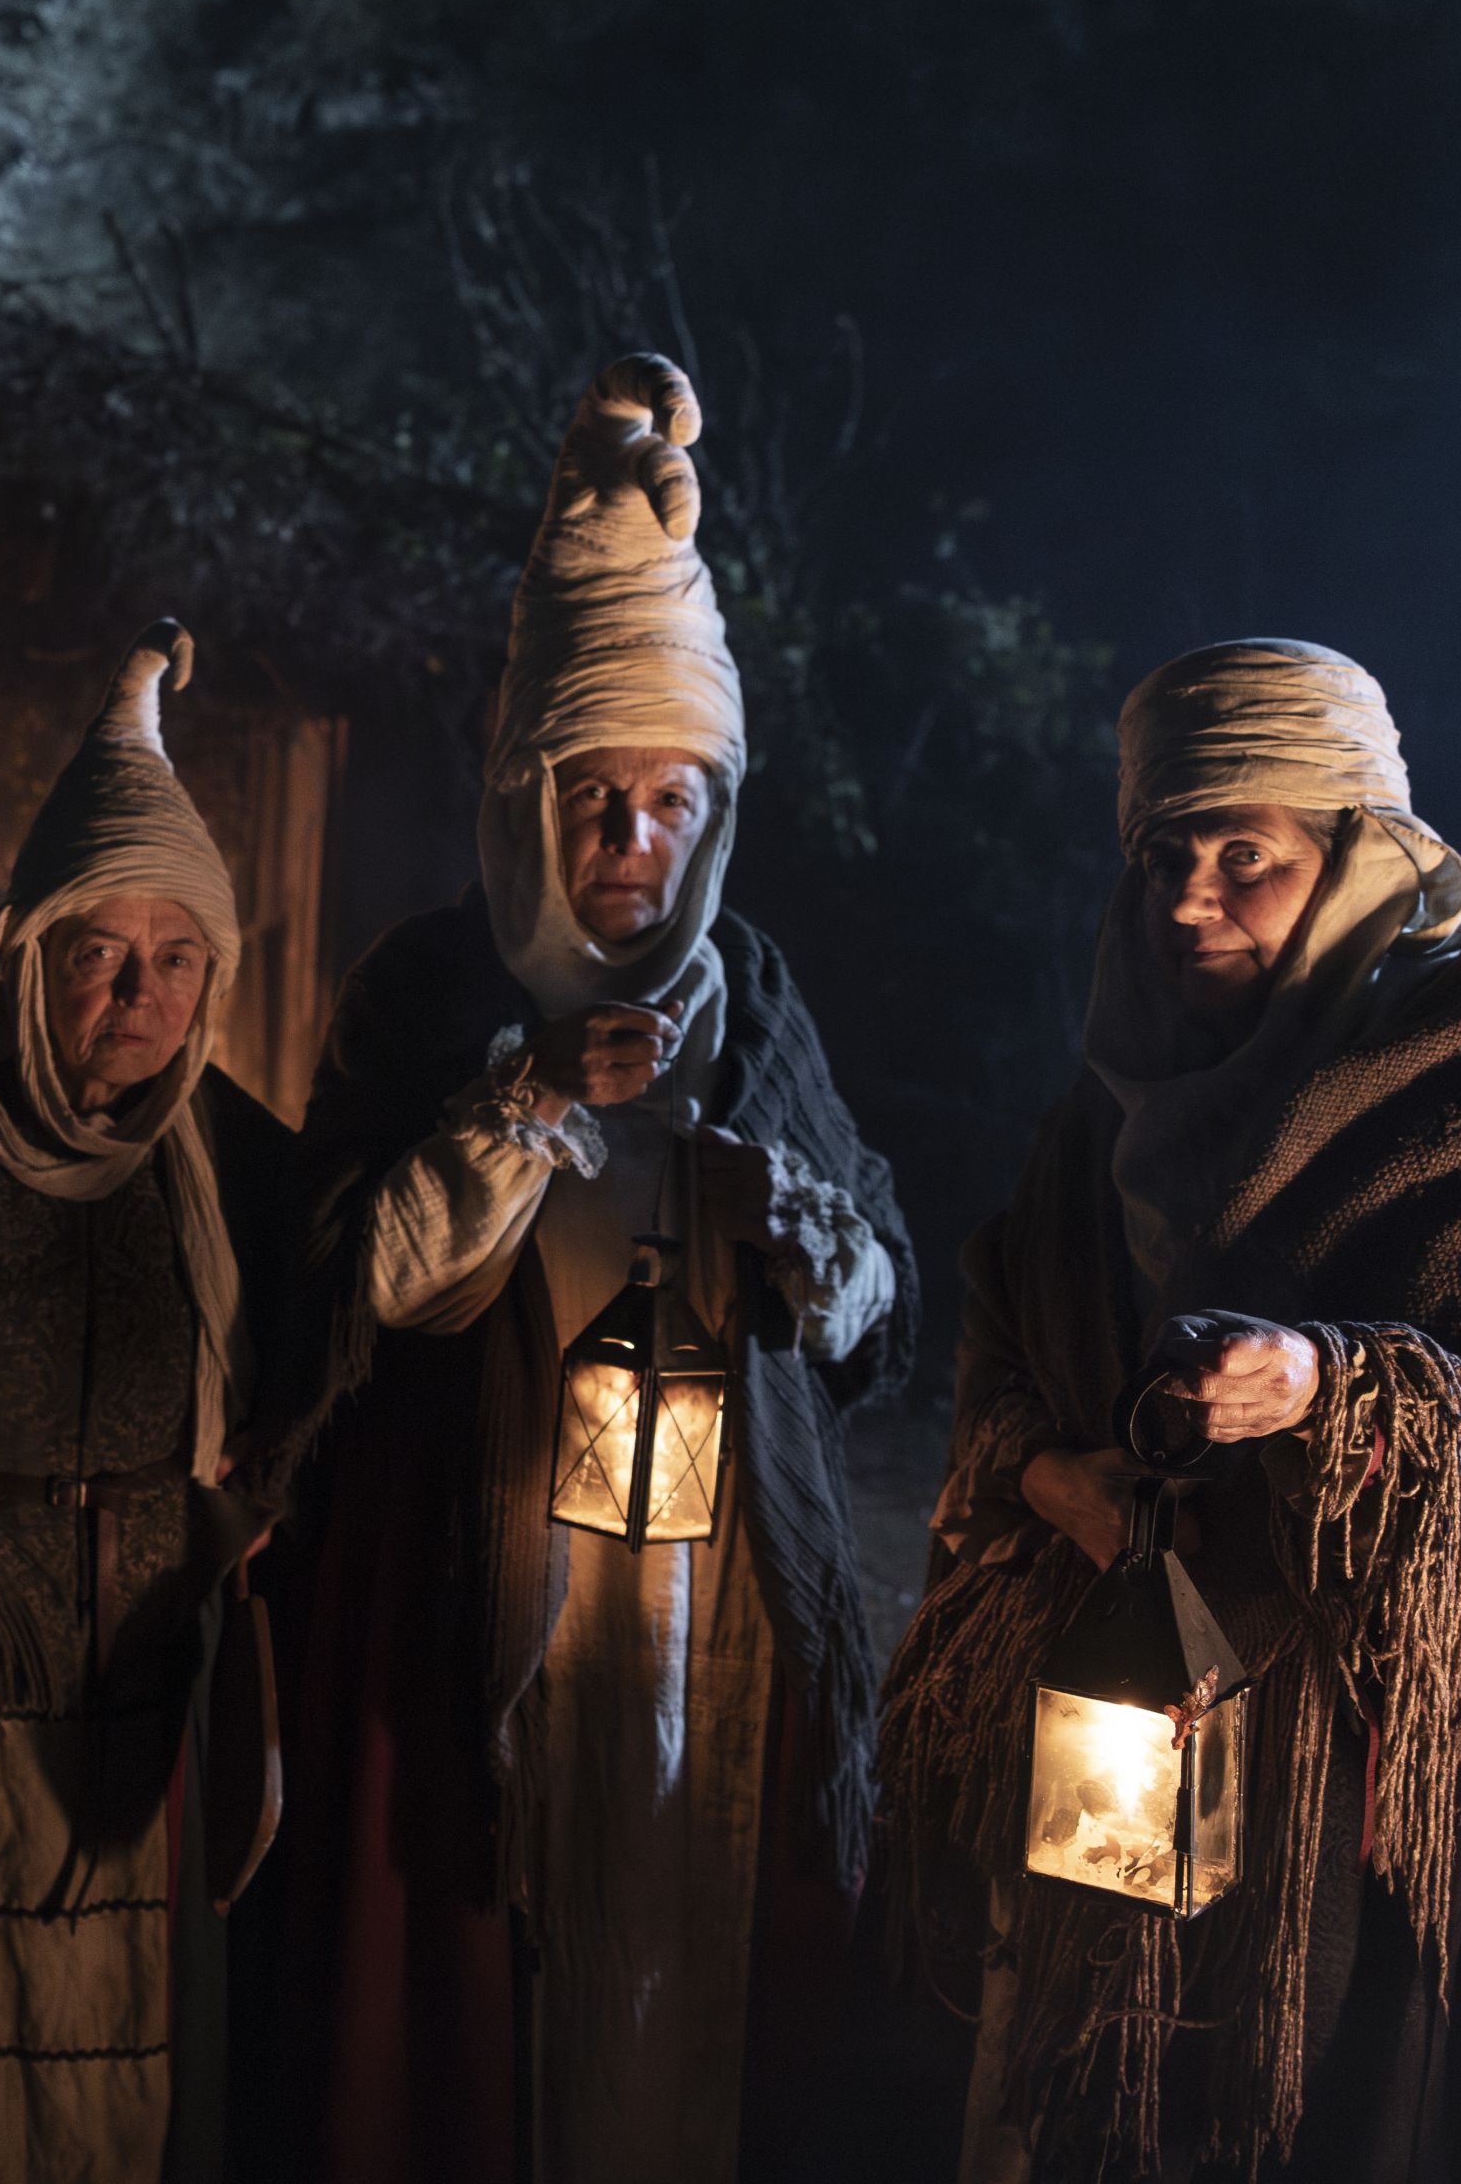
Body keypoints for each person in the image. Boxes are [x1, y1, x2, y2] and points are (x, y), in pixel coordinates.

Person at [871, 639, 1461, 2182]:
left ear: (1358, 857)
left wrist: (1337, 1390)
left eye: (1244, 859)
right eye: (1164, 857)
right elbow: (1010, 1335)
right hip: (1124, 1747)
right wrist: (1052, 1475)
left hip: (1388, 1791)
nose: (1188, 901)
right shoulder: (1111, 1109)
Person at [243, 354, 915, 2184]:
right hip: (485, 1582)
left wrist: (807, 1240)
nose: (631, 846)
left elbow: (880, 1296)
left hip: (714, 1600)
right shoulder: (429, 988)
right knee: (492, 1987)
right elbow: (336, 1286)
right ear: (527, 798)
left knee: (690, 1956)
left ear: (720, 809)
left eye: (671, 802)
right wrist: (522, 1101)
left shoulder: (748, 995)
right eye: (594, 801)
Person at [0, 626, 297, 2183]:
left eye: (178, 960)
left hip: (154, 1674)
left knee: (139, 2049)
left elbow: (347, 1324)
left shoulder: (231, 1162)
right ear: (28, 955)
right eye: (102, 951)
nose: (140, 993)